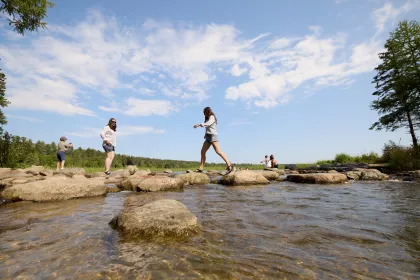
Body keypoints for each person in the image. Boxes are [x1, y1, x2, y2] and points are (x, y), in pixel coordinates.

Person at [193, 107, 233, 173]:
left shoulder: (212, 117)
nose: (204, 114)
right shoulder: (207, 118)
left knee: (218, 151)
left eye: (204, 112)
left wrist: (199, 124)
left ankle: (229, 165)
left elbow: (208, 124)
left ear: (207, 112)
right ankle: (201, 168)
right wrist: (205, 134)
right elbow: (207, 127)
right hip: (208, 137)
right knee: (202, 152)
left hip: (213, 136)